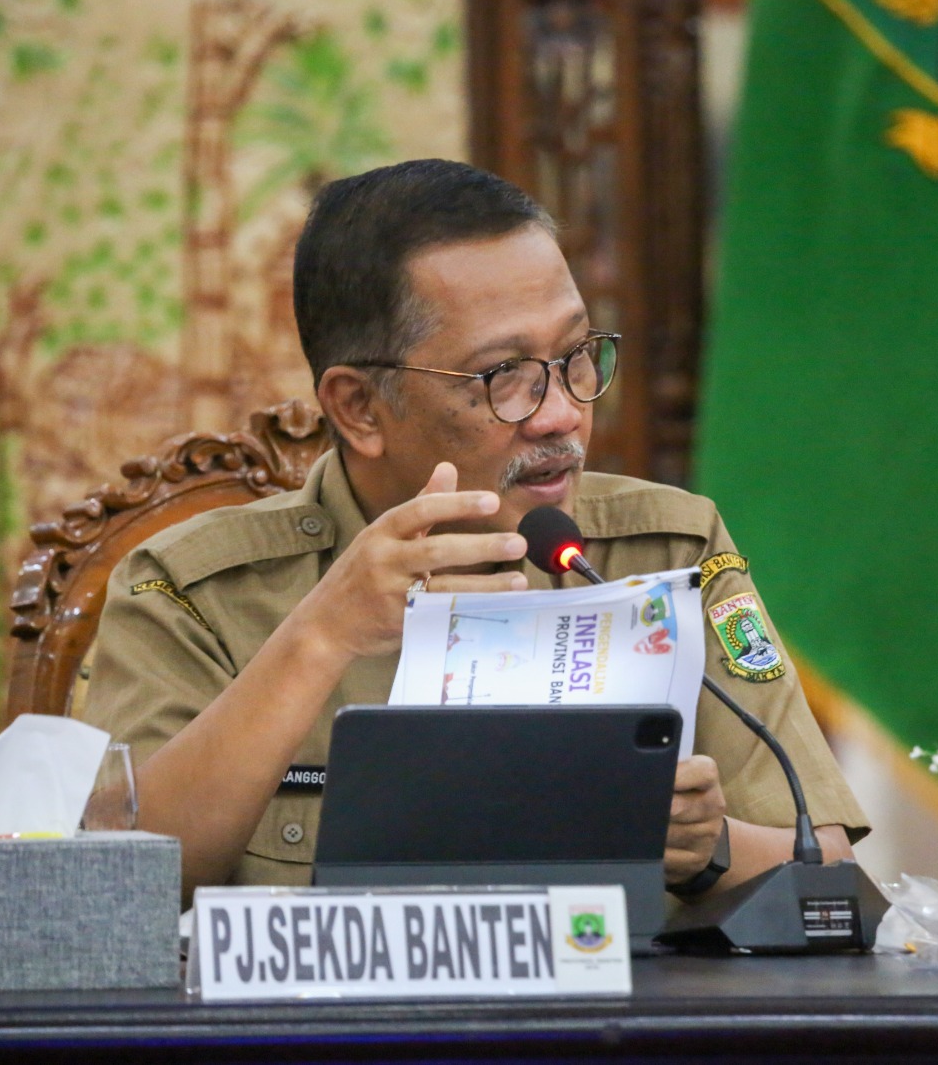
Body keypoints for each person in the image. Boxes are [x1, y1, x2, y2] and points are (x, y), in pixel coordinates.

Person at [82, 159, 869, 902]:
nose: (563, 414)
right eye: (505, 378)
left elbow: (825, 864)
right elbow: (120, 884)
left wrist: (710, 849)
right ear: (359, 407)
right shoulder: (191, 591)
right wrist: (325, 633)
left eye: (576, 357)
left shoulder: (669, 549)